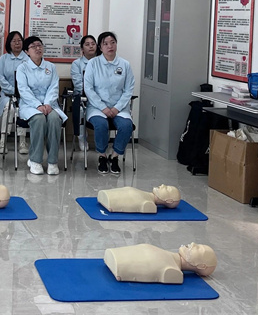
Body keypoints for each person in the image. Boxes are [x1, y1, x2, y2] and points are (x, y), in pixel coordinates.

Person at [84, 32, 134, 175]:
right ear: (100, 47)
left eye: (112, 42)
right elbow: (88, 88)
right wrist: (103, 108)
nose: (110, 46)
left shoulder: (125, 64)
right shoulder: (93, 63)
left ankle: (115, 156)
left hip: (119, 107)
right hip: (97, 107)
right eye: (105, 44)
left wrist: (117, 108)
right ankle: (102, 156)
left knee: (126, 126)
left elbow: (128, 89)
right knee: (101, 125)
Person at [17, 36, 66, 176]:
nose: (37, 48)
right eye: (33, 46)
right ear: (27, 51)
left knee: (54, 119)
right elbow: (23, 90)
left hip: (50, 104)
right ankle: (35, 160)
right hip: (29, 105)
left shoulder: (51, 67)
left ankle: (52, 161)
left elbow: (54, 87)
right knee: (38, 119)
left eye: (39, 45)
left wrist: (47, 104)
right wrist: (38, 105)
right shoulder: (22, 68)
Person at [103, 243, 217, 284]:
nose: (193, 244)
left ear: (201, 266)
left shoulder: (172, 270)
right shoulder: (167, 256)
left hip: (119, 266)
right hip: (114, 258)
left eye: (199, 249)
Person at [0, 31, 28, 154]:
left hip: (24, 95)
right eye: (14, 41)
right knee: (8, 108)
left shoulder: (28, 59)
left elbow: (30, 78)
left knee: (22, 110)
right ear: (9, 43)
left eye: (19, 40)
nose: (17, 43)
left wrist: (21, 92)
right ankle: (3, 140)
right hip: (7, 94)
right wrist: (12, 90)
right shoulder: (3, 58)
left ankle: (22, 141)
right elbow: (1, 77)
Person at [70, 35, 97, 152]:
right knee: (81, 110)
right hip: (82, 97)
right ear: (82, 49)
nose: (91, 46)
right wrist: (92, 94)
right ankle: (82, 139)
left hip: (100, 97)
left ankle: (100, 140)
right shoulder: (77, 64)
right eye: (87, 44)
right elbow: (78, 84)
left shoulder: (101, 62)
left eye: (93, 44)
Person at [97, 185, 180, 213]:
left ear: (169, 201)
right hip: (106, 196)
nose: (163, 185)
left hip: (109, 200)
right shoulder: (146, 195)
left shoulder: (149, 204)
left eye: (167, 189)